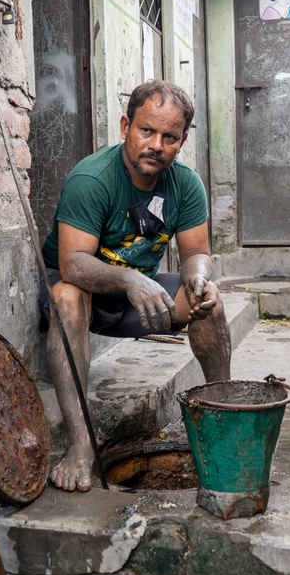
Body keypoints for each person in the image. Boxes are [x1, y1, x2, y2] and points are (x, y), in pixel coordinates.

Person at [40, 80, 232, 492]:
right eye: (147, 130)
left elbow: (196, 251)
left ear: (181, 142)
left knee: (209, 303)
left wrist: (198, 277)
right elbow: (72, 264)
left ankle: (224, 415)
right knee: (69, 300)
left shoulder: (185, 184)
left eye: (170, 137)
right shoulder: (92, 179)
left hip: (136, 299)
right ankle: (79, 447)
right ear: (126, 125)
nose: (157, 145)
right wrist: (129, 279)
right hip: (84, 288)